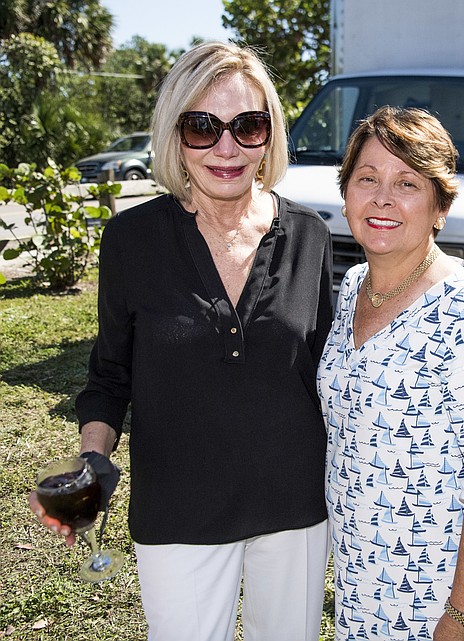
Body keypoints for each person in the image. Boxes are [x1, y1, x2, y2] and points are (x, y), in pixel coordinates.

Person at [29, 41, 332, 641]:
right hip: (178, 508)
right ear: (175, 134)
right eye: (202, 127)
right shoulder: (130, 241)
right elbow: (110, 376)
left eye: (248, 126)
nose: (227, 148)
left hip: (295, 507)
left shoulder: (310, 236)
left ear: (269, 135)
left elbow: (328, 375)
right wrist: (93, 457)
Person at [318, 106, 464, 641]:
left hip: (436, 598)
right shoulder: (354, 287)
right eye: (367, 179)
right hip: (361, 582)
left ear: (439, 206)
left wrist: (463, 614)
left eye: (407, 183)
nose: (383, 198)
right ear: (347, 195)